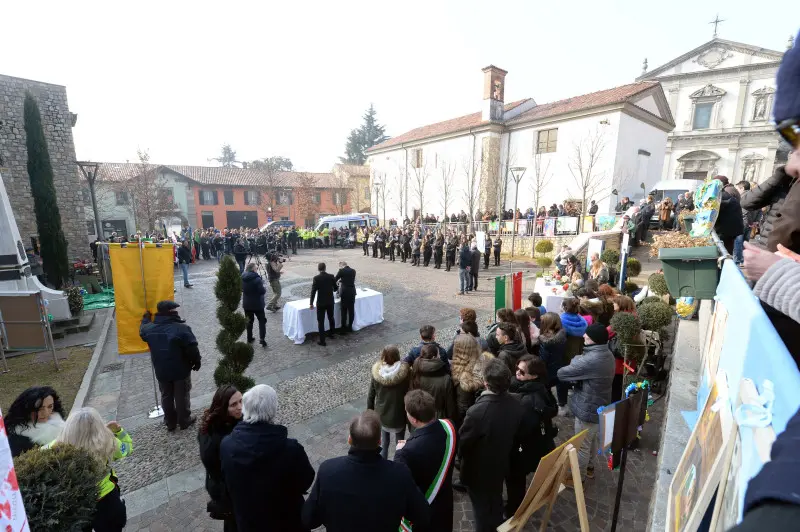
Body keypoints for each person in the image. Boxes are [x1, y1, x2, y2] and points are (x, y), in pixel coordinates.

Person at [302, 410, 431, 532]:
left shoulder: (327, 471)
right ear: (379, 441)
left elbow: (309, 519)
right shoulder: (400, 474)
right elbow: (423, 515)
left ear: (350, 440)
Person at [221, 384, 315, 531]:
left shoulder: (227, 445)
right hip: (287, 520)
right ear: (273, 411)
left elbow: (228, 482)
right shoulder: (291, 449)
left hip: (249, 522)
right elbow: (306, 479)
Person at [459, 359, 526, 532]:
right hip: (501, 462)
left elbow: (464, 445)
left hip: (478, 470)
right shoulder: (517, 402)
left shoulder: (477, 412)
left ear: (485, 383)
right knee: (495, 498)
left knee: (481, 509)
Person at [48, 407, 133, 532]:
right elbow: (128, 448)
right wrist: (118, 431)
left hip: (77, 502)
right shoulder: (107, 442)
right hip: (107, 499)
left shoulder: (55, 447)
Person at [556, 324, 615, 483]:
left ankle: (577, 479)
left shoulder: (591, 360)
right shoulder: (607, 354)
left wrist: (576, 359)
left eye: (587, 336)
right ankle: (589, 468)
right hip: (599, 405)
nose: (583, 337)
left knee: (581, 446)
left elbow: (562, 373)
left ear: (594, 340)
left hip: (587, 407)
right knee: (592, 440)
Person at [394, 390, 457, 532]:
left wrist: (399, 452)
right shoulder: (449, 427)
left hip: (425, 510)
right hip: (445, 502)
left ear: (414, 420)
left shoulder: (406, 452)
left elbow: (401, 484)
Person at [506, 355, 557, 517]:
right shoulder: (540, 388)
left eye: (521, 371)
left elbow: (521, 430)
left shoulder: (528, 400)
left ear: (533, 376)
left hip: (524, 449)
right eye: (516, 368)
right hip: (538, 443)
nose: (516, 373)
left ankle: (514, 509)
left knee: (515, 479)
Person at [140, 301, 201, 431]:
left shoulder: (149, 329)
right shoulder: (182, 328)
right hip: (180, 370)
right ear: (170, 312)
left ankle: (170, 423)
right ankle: (184, 420)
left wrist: (145, 319)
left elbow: (142, 331)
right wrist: (197, 361)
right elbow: (192, 348)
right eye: (174, 309)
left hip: (161, 370)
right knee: (182, 396)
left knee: (166, 396)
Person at [199, 385, 243, 532]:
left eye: (241, 401)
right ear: (224, 408)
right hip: (228, 491)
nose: (240, 407)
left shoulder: (220, 423)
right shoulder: (220, 437)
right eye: (234, 404)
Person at [367, 345, 411, 459]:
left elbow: (371, 395)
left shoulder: (377, 373)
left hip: (382, 414)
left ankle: (383, 463)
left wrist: (370, 412)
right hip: (399, 413)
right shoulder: (406, 373)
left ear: (383, 356)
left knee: (384, 443)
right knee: (400, 443)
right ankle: (398, 463)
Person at [5, 386, 66, 457]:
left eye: (50, 406)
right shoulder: (16, 439)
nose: (46, 413)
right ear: (27, 409)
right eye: (40, 408)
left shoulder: (58, 422)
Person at [450, 334, 493, 423]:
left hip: (472, 417)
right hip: (488, 408)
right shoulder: (486, 359)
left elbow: (464, 406)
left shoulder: (464, 378)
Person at [410, 344, 458, 421]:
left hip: (420, 415)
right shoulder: (446, 379)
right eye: (439, 354)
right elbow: (450, 405)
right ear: (433, 357)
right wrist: (452, 421)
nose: (440, 356)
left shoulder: (415, 372)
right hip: (439, 417)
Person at [538, 312, 569, 414]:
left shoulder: (544, 340)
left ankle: (549, 407)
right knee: (561, 386)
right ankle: (562, 405)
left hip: (548, 369)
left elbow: (543, 358)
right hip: (561, 365)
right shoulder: (562, 334)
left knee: (546, 389)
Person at [714, 176, 745, 254]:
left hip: (726, 229)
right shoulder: (728, 191)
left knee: (724, 251)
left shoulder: (723, 194)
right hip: (731, 229)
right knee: (728, 249)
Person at [310, 262, 336, 346]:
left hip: (321, 302)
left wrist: (311, 303)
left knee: (320, 321)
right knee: (331, 318)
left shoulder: (316, 278)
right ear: (325, 268)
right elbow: (335, 288)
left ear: (318, 269)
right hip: (330, 301)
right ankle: (332, 334)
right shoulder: (331, 276)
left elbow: (313, 291)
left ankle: (322, 341)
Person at [241, 263, 267, 347]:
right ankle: (262, 339)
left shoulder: (242, 277)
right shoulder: (257, 279)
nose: (257, 269)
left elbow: (241, 289)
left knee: (249, 322)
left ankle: (249, 338)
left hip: (247, 304)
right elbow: (262, 291)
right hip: (257, 304)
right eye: (256, 268)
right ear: (253, 269)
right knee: (262, 321)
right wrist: (264, 288)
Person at [561, 297, 588, 362]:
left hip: (565, 352)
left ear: (564, 307)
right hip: (579, 352)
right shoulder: (583, 321)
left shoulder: (561, 321)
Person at [334, 261, 357, 333]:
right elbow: (349, 279)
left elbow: (335, 279)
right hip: (352, 291)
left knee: (344, 310)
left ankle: (343, 329)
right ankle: (350, 327)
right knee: (351, 310)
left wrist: (337, 285)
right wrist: (342, 280)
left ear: (341, 265)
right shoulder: (353, 271)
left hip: (344, 292)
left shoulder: (341, 271)